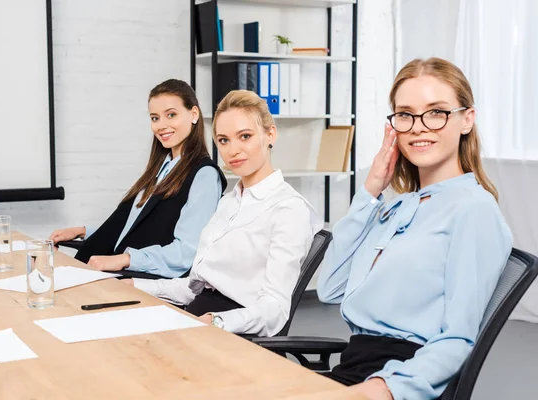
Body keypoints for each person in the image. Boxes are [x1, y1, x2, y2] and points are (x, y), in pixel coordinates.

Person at [316, 58, 513, 400]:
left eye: (436, 112)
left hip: (396, 380)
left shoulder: (474, 210)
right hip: (351, 370)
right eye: (405, 114)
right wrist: (370, 191)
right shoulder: (396, 205)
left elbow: (458, 338)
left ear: (467, 119)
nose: (419, 126)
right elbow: (330, 288)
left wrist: (383, 389)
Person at [129, 90, 323, 336]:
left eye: (245, 136)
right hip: (198, 317)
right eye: (223, 140)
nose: (233, 150)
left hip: (233, 332)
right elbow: (193, 289)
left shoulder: (288, 208)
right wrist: (134, 285)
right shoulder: (229, 202)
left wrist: (216, 322)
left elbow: (274, 309)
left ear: (270, 134)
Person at [49, 79, 226, 279]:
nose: (162, 125)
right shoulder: (161, 168)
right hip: (118, 273)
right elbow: (137, 229)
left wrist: (126, 259)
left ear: (194, 114)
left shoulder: (204, 175)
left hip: (143, 283)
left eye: (171, 115)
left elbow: (186, 252)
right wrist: (83, 231)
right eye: (155, 118)